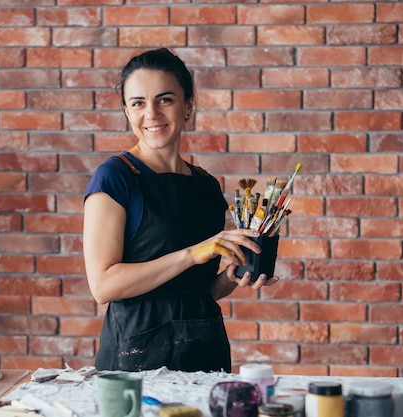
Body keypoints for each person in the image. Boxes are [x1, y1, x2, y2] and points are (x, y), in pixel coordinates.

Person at [82, 48, 280, 373]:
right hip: (135, 355)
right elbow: (103, 286)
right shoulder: (115, 177)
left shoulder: (206, 186)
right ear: (127, 112)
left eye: (165, 99)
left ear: (187, 106)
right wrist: (191, 254)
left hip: (205, 351)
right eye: (138, 103)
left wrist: (231, 276)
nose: (151, 114)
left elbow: (199, 293)